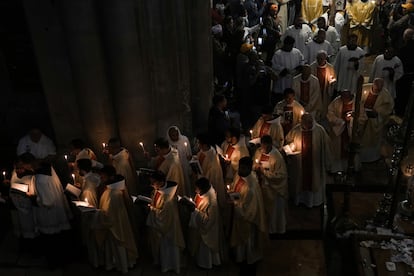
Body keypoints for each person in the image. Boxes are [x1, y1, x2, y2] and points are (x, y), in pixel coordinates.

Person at [94, 165, 138, 273]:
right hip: (117, 226)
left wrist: (96, 213)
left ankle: (123, 266)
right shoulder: (113, 189)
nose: (101, 179)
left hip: (116, 228)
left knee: (119, 248)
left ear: (111, 177)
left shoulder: (114, 193)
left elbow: (109, 216)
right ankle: (117, 264)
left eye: (103, 177)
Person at [285, 113, 331, 207]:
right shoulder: (296, 130)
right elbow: (288, 141)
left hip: (315, 163)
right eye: (305, 122)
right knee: (300, 180)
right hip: (299, 162)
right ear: (301, 122)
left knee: (314, 180)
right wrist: (290, 147)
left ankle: (313, 202)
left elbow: (327, 146)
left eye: (309, 122)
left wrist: (327, 162)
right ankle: (300, 200)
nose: (307, 125)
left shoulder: (320, 130)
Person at [32, 160, 72, 267]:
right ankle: (60, 261)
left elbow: (47, 202)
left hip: (48, 216)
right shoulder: (52, 175)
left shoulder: (40, 180)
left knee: (50, 242)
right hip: (58, 213)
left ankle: (53, 263)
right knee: (57, 240)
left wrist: (34, 198)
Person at [229, 156, 267, 265]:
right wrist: (231, 191)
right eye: (240, 167)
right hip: (238, 213)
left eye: (243, 168)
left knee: (247, 242)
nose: (240, 170)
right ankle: (239, 256)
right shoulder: (239, 175)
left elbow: (249, 209)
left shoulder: (251, 187)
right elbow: (234, 186)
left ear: (249, 169)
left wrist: (235, 204)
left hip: (247, 220)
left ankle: (247, 258)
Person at [146, 171, 185, 274]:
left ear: (161, 182)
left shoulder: (168, 197)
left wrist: (152, 209)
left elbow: (164, 217)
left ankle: (169, 266)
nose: (152, 185)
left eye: (153, 182)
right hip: (162, 226)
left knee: (168, 247)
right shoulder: (159, 189)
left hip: (169, 229)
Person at [253, 135, 288, 234]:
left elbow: (281, 175)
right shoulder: (258, 152)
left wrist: (264, 172)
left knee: (274, 212)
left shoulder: (277, 156)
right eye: (262, 147)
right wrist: (255, 167)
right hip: (261, 186)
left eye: (266, 147)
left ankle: (274, 230)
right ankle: (264, 230)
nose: (264, 149)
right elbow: (254, 164)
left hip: (273, 189)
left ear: (271, 145)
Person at [188, 177, 221, 269]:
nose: (195, 191)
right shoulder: (203, 193)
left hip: (208, 229)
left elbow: (210, 220)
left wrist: (195, 211)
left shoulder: (211, 200)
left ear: (204, 188)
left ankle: (206, 264)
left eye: (197, 189)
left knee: (205, 248)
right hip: (200, 226)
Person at [359, 78, 395, 163]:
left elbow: (388, 107)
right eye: (376, 88)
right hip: (362, 117)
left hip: (375, 121)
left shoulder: (385, 94)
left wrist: (377, 112)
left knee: (372, 140)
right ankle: (360, 157)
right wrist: (362, 109)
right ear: (373, 84)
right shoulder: (364, 88)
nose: (377, 90)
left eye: (380, 89)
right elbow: (357, 100)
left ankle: (372, 157)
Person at [326, 89, 357, 173]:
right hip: (339, 132)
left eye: (346, 97)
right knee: (337, 152)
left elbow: (362, 118)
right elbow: (330, 114)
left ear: (350, 96)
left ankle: (349, 169)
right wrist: (342, 121)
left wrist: (352, 119)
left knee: (350, 151)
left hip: (350, 131)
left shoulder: (357, 103)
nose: (343, 100)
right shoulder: (336, 101)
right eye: (342, 97)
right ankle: (337, 169)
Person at [9, 153, 37, 242]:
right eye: (17, 167)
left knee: (28, 226)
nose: (19, 170)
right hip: (15, 204)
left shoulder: (31, 175)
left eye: (21, 167)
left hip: (27, 206)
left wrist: (29, 194)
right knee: (18, 225)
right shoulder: (14, 173)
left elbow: (35, 192)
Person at [195, 133, 226, 210]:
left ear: (204, 145)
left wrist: (201, 176)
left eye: (199, 143)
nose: (198, 145)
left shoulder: (212, 157)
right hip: (201, 178)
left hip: (207, 183)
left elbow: (213, 175)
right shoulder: (203, 150)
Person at [271, 35, 305, 104]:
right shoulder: (278, 54)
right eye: (289, 45)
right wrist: (283, 70)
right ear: (285, 44)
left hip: (293, 80)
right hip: (282, 82)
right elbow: (274, 66)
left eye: (292, 45)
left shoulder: (297, 52)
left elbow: (302, 61)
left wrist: (298, 68)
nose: (290, 47)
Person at [310, 50, 337, 120]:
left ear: (325, 58)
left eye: (322, 59)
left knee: (324, 102)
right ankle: (316, 116)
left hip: (325, 88)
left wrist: (331, 82)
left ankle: (323, 115)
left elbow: (334, 78)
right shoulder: (312, 66)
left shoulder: (330, 67)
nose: (320, 60)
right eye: (318, 58)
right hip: (315, 89)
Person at [166, 126, 192, 197]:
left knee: (186, 183)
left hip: (184, 165)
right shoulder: (168, 143)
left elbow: (189, 153)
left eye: (176, 134)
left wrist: (189, 156)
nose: (175, 137)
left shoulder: (184, 139)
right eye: (173, 135)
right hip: (175, 168)